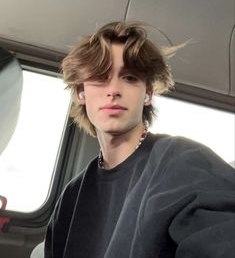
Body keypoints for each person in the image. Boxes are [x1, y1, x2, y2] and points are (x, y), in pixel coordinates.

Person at [44, 21, 235, 258]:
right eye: (100, 77)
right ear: (81, 93)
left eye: (130, 78)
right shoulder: (72, 197)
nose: (113, 90)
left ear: (148, 94)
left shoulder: (183, 163)